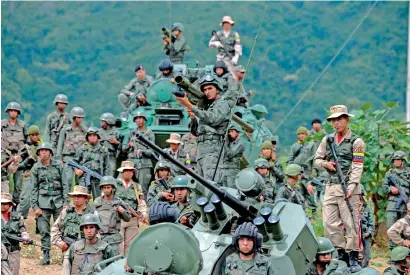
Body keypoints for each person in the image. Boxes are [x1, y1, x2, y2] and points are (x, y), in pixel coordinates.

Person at [314, 105, 365, 272]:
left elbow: (357, 167)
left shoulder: (357, 142)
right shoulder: (327, 140)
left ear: (347, 119)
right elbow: (316, 160)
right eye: (333, 120)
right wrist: (326, 164)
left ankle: (353, 256)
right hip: (330, 186)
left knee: (351, 223)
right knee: (329, 223)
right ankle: (340, 252)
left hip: (349, 187)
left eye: (339, 119)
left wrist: (351, 187)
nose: (336, 123)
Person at [175, 74, 230, 180]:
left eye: (210, 88)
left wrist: (190, 106)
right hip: (201, 151)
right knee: (200, 186)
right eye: (205, 89)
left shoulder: (223, 104)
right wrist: (193, 116)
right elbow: (196, 131)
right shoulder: (206, 107)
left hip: (213, 151)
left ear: (218, 89)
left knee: (211, 184)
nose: (207, 92)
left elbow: (213, 119)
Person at [30, 142, 69, 265]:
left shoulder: (59, 166)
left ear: (50, 153)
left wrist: (66, 202)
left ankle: (66, 256)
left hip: (58, 202)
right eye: (41, 151)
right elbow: (33, 188)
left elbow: (65, 184)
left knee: (63, 229)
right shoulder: (36, 168)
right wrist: (35, 206)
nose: (43, 153)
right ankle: (46, 255)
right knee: (44, 230)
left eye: (46, 151)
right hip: (43, 203)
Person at [51, 185, 95, 275]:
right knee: (66, 270)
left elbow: (98, 233)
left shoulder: (92, 213)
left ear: (85, 198)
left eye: (79, 196)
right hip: (69, 249)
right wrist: (59, 243)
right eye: (74, 196)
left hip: (87, 250)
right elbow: (55, 229)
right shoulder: (66, 212)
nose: (76, 199)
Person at [115, 161, 148, 256]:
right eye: (126, 170)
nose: (128, 173)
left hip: (132, 219)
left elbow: (141, 202)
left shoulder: (137, 186)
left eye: (131, 171)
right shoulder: (114, 184)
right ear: (122, 172)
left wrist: (144, 213)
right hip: (118, 219)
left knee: (131, 246)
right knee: (119, 246)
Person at [93, 176, 131, 256]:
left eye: (108, 187)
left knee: (115, 262)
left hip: (114, 238)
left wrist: (122, 211)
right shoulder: (97, 202)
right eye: (104, 187)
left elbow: (128, 218)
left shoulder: (118, 202)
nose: (106, 190)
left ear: (113, 188)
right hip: (100, 237)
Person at [122, 111, 155, 195]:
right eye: (136, 119)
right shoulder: (131, 132)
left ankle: (144, 206)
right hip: (131, 163)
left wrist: (142, 151)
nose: (138, 120)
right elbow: (123, 148)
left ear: (144, 120)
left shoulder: (149, 133)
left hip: (144, 163)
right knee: (124, 185)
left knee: (143, 189)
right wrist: (130, 145)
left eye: (140, 118)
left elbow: (152, 151)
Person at [287, 126, 317, 217]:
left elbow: (314, 157)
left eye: (303, 134)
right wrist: (291, 169)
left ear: (306, 135)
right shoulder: (295, 146)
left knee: (310, 193)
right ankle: (302, 213)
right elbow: (290, 159)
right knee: (299, 193)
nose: (301, 136)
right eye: (299, 134)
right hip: (297, 173)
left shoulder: (311, 144)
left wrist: (313, 170)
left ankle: (314, 212)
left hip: (307, 172)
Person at [1, 102, 27, 205]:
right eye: (11, 110)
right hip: (5, 155)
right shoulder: (2, 124)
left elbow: (27, 141)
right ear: (8, 112)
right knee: (4, 180)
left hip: (19, 156)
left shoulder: (22, 125)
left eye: (15, 111)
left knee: (18, 183)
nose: (13, 113)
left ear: (18, 112)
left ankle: (16, 205)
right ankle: (4, 203)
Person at [73, 127, 109, 198]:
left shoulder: (103, 150)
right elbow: (74, 161)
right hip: (84, 178)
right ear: (87, 137)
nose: (92, 138)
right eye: (90, 135)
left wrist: (106, 181)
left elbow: (106, 167)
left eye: (94, 135)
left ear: (98, 137)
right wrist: (76, 170)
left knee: (98, 200)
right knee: (82, 198)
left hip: (98, 179)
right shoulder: (82, 148)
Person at [56, 107, 87, 187]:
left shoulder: (84, 130)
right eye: (78, 117)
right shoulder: (65, 130)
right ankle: (66, 199)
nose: (80, 119)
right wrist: (59, 160)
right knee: (68, 180)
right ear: (73, 117)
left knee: (80, 182)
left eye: (81, 118)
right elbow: (60, 145)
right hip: (68, 158)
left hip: (80, 159)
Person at [16, 125, 41, 219]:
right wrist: (26, 162)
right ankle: (18, 221)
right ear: (29, 136)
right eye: (33, 135)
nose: (35, 137)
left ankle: (40, 225)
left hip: (41, 175)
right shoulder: (25, 148)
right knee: (25, 200)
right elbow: (17, 166)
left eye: (36, 135)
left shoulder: (42, 147)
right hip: (29, 175)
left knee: (41, 201)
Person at [1, 192, 30, 275]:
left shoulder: (17, 218)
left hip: (13, 252)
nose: (2, 205)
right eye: (1, 203)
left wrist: (25, 238)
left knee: (14, 272)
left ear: (10, 205)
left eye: (5, 203)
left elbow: (23, 230)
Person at [382, 151, 410, 229]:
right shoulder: (390, 173)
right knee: (391, 230)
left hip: (406, 207)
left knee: (406, 232)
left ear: (402, 161)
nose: (396, 162)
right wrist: (391, 189)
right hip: (392, 206)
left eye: (398, 160)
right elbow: (384, 188)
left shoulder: (408, 173)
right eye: (394, 160)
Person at [219, 124, 244, 188]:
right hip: (223, 170)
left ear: (237, 132)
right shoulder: (229, 143)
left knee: (231, 191)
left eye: (232, 131)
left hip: (232, 171)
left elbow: (229, 155)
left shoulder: (240, 144)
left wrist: (225, 143)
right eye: (229, 131)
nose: (230, 133)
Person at [99, 112, 122, 177]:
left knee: (110, 175)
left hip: (111, 156)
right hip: (100, 157)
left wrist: (116, 143)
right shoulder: (99, 132)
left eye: (103, 121)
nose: (101, 123)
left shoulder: (117, 133)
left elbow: (123, 148)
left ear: (108, 122)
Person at [360, 184, 374, 268]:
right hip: (354, 237)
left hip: (365, 236)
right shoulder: (349, 207)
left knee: (367, 256)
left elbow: (371, 223)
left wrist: (368, 233)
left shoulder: (366, 208)